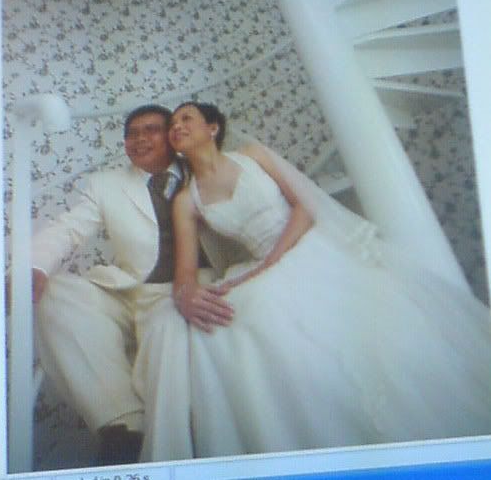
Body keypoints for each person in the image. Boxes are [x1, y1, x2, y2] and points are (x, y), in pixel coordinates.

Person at [151, 100, 491, 460]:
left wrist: (273, 261)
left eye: (186, 118)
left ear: (213, 128)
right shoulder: (186, 200)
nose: (177, 127)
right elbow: (185, 273)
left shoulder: (253, 156)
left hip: (307, 242)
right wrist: (186, 296)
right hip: (258, 265)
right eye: (172, 125)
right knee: (229, 329)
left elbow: (304, 204)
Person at [31, 104, 223, 465]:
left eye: (151, 129)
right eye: (131, 133)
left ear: (171, 135)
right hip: (129, 290)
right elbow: (69, 228)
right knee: (55, 293)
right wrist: (34, 266)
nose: (139, 139)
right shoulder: (105, 184)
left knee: (169, 322)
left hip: (183, 290)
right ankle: (123, 425)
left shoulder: (202, 169)